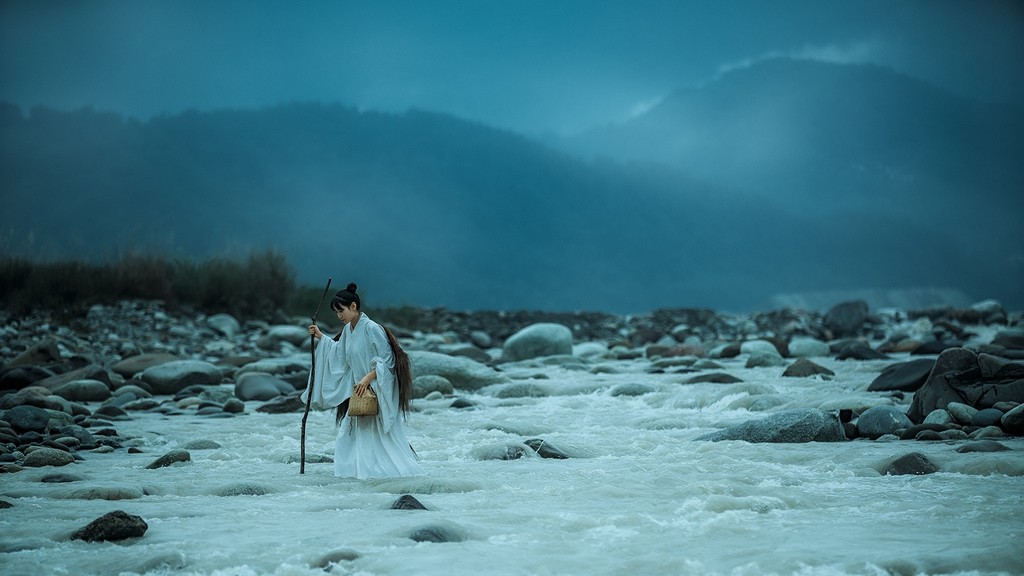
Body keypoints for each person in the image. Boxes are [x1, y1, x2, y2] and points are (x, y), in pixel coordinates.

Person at [301, 282, 423, 479]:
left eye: (341, 311)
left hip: (374, 388)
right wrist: (321, 337)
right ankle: (358, 475)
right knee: (348, 436)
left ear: (354, 307)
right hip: (359, 391)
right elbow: (339, 354)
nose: (339, 315)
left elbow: (387, 360)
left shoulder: (372, 329)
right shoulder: (349, 331)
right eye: (336, 312)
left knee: (376, 437)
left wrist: (367, 378)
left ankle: (382, 475)